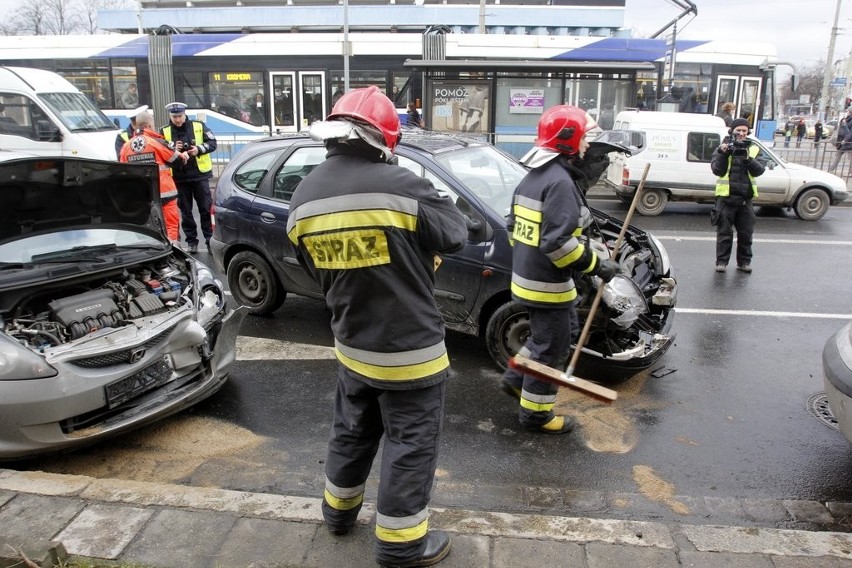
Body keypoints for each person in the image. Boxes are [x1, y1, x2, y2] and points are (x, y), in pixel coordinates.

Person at [286, 86, 466, 568]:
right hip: (410, 350)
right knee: (410, 442)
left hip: (352, 344)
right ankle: (403, 545)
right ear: (383, 139)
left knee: (352, 430)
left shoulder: (302, 196)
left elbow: (313, 269)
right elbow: (455, 232)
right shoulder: (402, 184)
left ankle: (338, 514)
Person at [499, 105, 620, 435]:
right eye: (586, 140)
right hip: (547, 285)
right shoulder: (561, 184)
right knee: (551, 349)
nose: (588, 148)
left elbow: (513, 228)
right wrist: (598, 265)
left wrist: (530, 261)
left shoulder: (534, 177)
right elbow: (557, 244)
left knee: (550, 335)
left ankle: (514, 380)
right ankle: (536, 416)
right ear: (571, 141)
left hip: (528, 280)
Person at [119, 111, 188, 244]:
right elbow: (176, 161)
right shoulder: (157, 142)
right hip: (164, 193)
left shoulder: (126, 146)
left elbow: (123, 170)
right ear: (150, 125)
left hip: (140, 194)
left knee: (147, 228)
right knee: (170, 226)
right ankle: (173, 252)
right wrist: (183, 157)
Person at [160, 102, 218, 254]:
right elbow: (161, 152)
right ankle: (191, 241)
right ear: (170, 116)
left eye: (179, 116)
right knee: (186, 212)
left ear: (185, 114)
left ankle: (209, 240)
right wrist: (173, 149)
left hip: (199, 176)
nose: (177, 119)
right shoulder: (164, 131)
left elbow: (212, 143)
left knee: (205, 209)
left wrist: (197, 149)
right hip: (178, 178)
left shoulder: (198, 126)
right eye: (174, 117)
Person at [710, 118, 765, 273]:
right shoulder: (723, 147)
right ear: (732, 131)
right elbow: (717, 170)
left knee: (746, 234)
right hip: (726, 199)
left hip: (745, 200)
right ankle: (721, 262)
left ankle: (744, 262)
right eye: (738, 130)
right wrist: (723, 153)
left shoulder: (753, 148)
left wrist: (748, 159)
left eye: (744, 131)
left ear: (748, 133)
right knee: (724, 234)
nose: (741, 133)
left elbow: (759, 170)